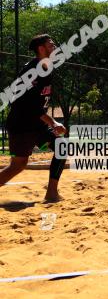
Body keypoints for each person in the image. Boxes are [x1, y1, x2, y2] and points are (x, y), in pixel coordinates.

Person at [0, 34, 68, 202]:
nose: (54, 48)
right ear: (41, 49)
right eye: (51, 45)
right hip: (21, 126)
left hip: (36, 125)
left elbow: (37, 105)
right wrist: (53, 122)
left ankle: (51, 192)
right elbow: (28, 105)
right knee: (18, 165)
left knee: (62, 147)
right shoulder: (32, 71)